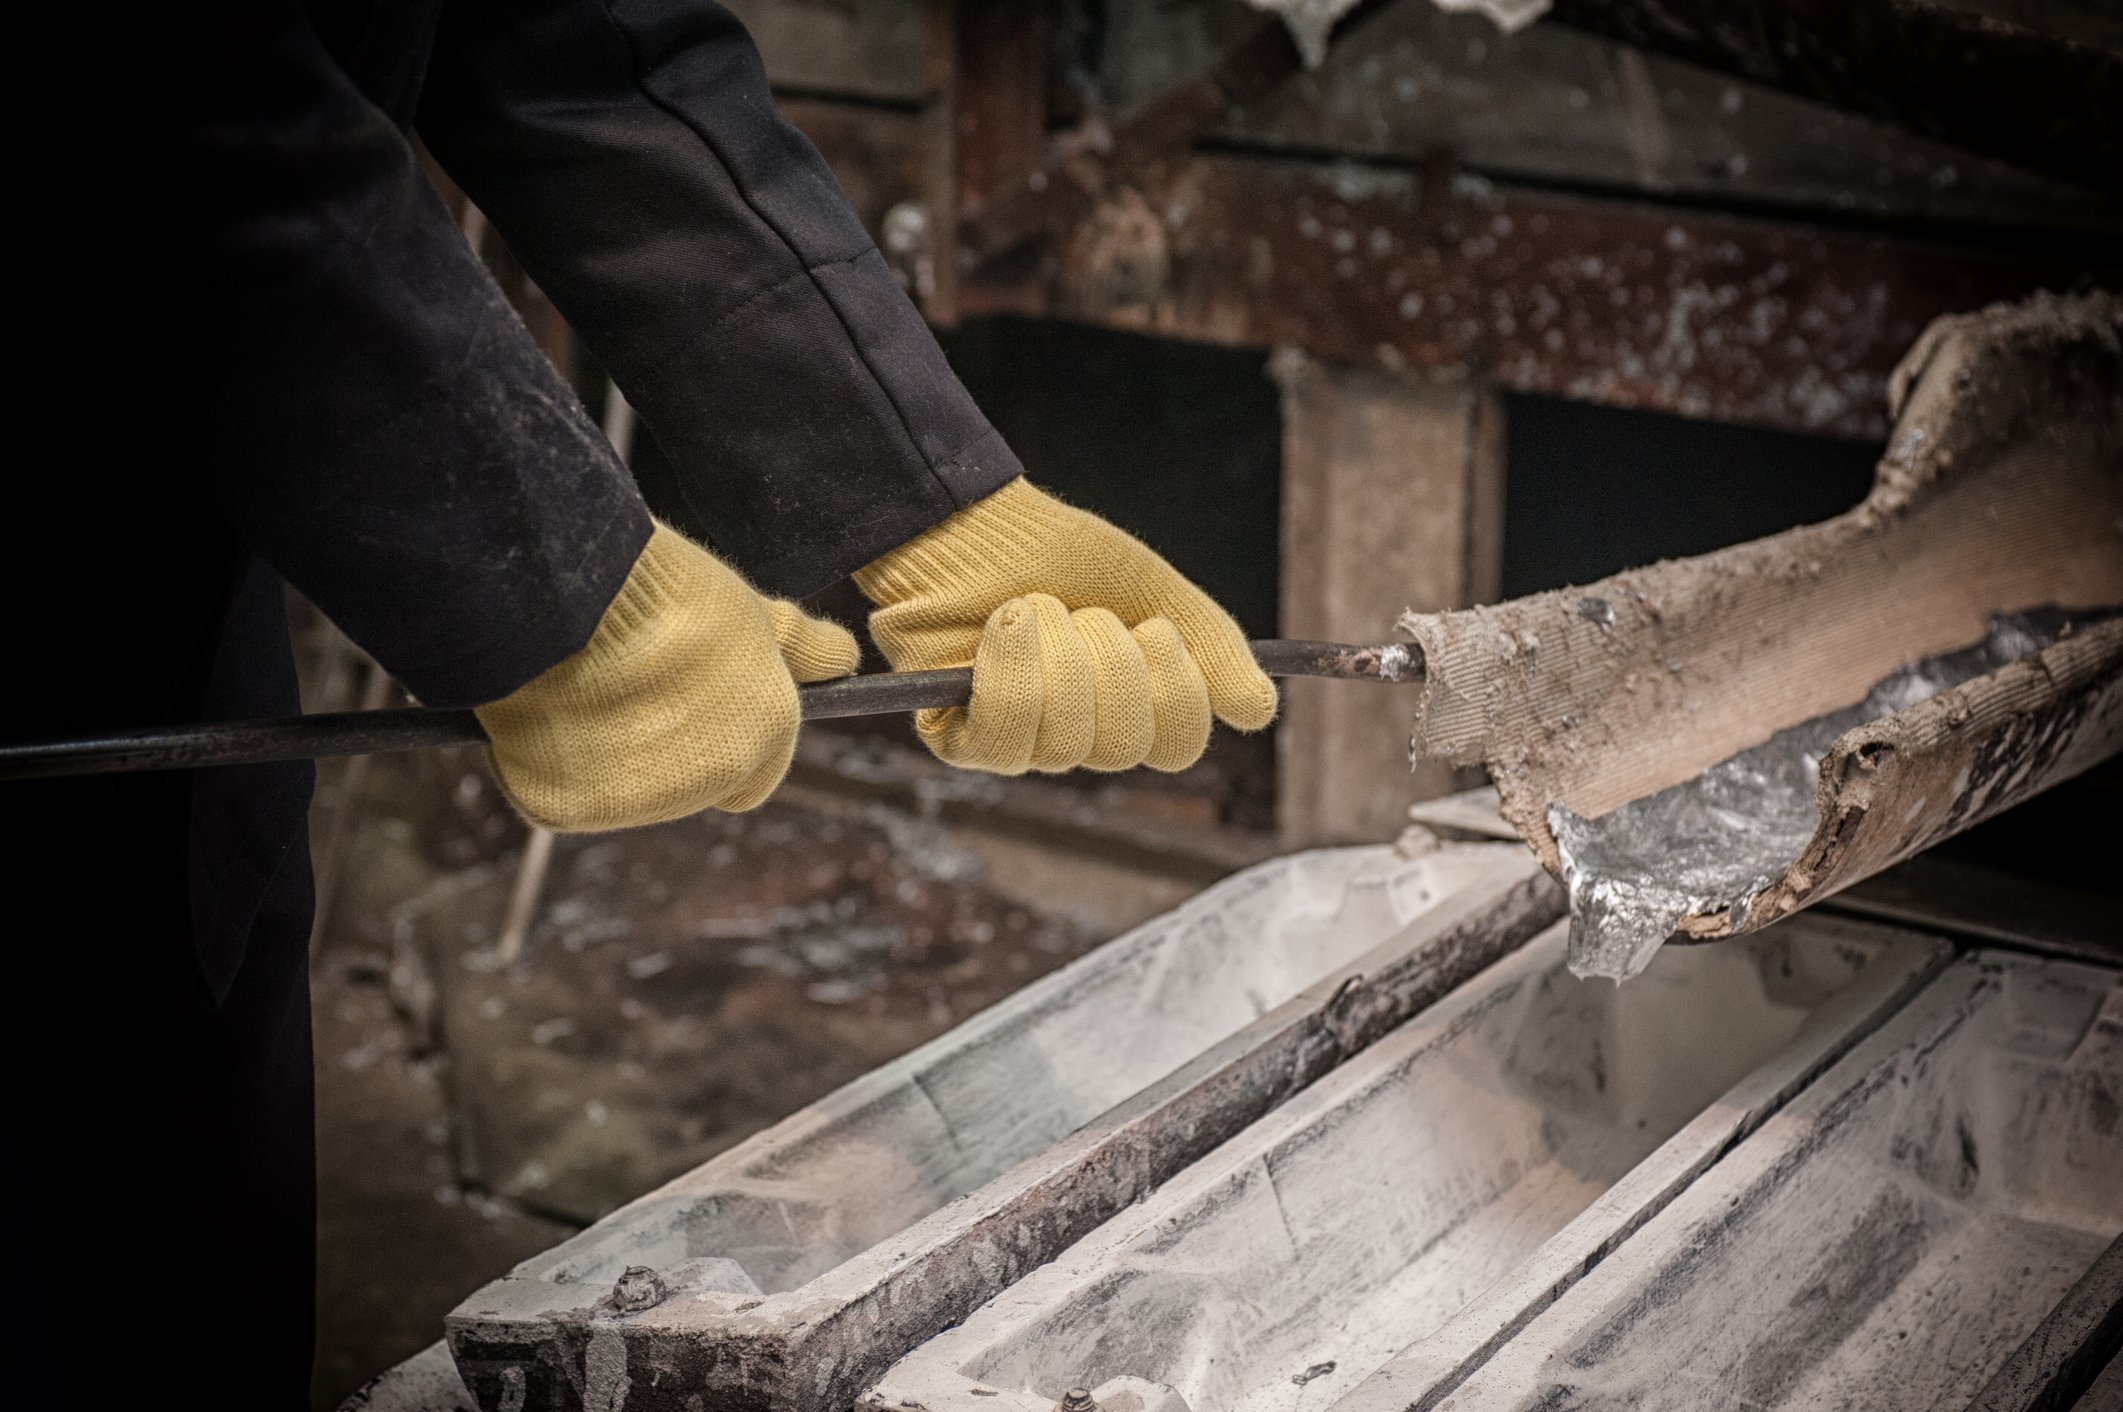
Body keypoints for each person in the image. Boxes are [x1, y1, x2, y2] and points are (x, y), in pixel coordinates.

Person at [16, 1, 1275, 1403]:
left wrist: (924, 503)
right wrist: (550, 572)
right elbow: (140, 89)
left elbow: (586, 41)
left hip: (180, 645)